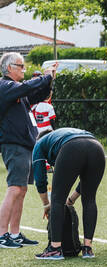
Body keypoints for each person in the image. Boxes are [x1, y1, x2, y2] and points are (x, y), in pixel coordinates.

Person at [0, 52, 56, 249]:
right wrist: (45, 77)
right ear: (9, 68)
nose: (24, 69)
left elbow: (38, 94)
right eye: (20, 66)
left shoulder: (16, 91)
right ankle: (2, 234)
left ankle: (14, 234)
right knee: (15, 188)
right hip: (14, 144)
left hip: (25, 145)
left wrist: (49, 81)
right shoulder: (5, 86)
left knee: (21, 190)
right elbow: (27, 87)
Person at [33, 128, 105, 260]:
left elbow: (40, 178)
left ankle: (55, 249)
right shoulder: (61, 135)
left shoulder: (39, 143)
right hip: (96, 146)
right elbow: (85, 181)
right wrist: (71, 199)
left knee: (57, 200)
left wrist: (46, 205)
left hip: (72, 147)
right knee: (90, 199)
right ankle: (87, 249)